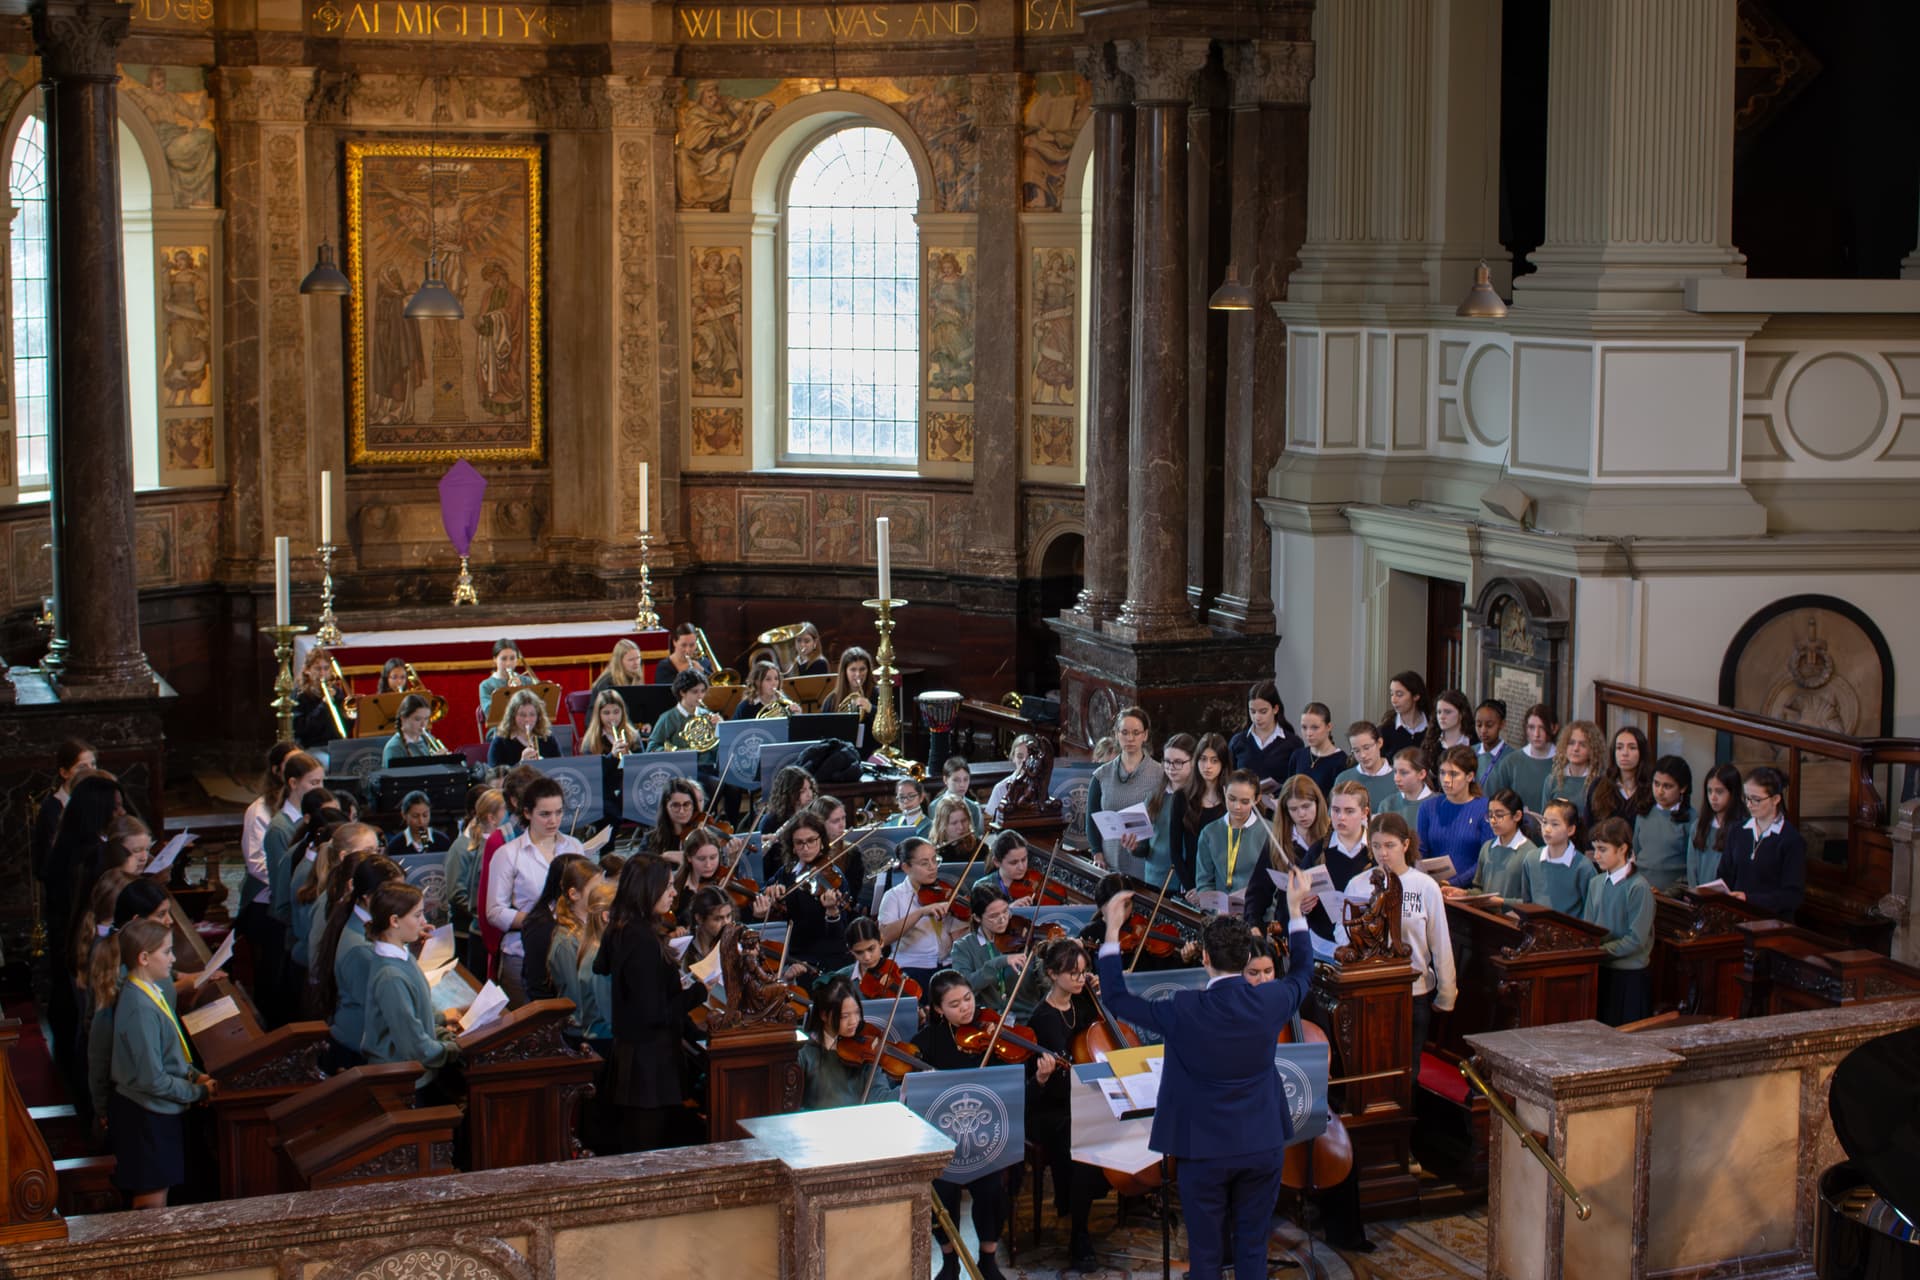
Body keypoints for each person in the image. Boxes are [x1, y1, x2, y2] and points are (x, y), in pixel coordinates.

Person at [1092, 871, 1314, 1280]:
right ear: (1246, 959)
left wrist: (1111, 930)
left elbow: (1118, 998)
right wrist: (1296, 909)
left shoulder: (1183, 1008)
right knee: (1252, 1249)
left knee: (1206, 1255)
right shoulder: (1271, 1000)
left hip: (1203, 1148)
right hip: (1262, 1142)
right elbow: (1302, 973)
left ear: (1206, 958)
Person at [593, 856, 707, 1152]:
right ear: (648, 889)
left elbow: (605, 967)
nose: (674, 893)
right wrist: (699, 991)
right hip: (648, 1066)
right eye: (667, 886)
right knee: (647, 1151)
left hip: (634, 1056)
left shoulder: (622, 927)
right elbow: (654, 1013)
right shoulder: (641, 939)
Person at [913, 969, 1015, 1280]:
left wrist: (1036, 1077)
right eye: (954, 1004)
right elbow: (911, 1091)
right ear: (938, 1010)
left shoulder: (991, 1034)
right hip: (942, 1138)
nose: (965, 1008)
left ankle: (988, 1257)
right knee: (940, 1186)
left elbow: (1012, 1084)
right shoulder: (926, 1042)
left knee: (994, 1186)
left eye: (968, 998)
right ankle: (949, 1259)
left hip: (986, 1136)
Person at [107, 919, 214, 1209]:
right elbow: (151, 1079)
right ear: (144, 957)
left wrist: (193, 1076)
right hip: (146, 1114)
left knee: (160, 1192)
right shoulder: (139, 1006)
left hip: (156, 1111)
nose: (173, 959)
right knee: (152, 1201)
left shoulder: (148, 992)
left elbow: (168, 1054)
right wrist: (198, 1092)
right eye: (167, 952)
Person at [1023, 937, 1110, 1271]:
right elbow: (1037, 1086)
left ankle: (1129, 1190)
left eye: (1083, 972)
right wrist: (1046, 1078)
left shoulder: (1084, 1004)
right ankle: (1079, 1233)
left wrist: (1098, 995)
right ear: (1051, 974)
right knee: (1079, 1137)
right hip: (1053, 1107)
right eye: (1072, 973)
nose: (1079, 979)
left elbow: (1104, 1038)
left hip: (1086, 1097)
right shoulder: (1040, 1019)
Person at [1344, 813, 1456, 1062]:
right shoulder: (1358, 885)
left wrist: (1446, 992)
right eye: (1376, 846)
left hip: (1413, 991)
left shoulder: (1425, 886)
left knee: (1407, 1067)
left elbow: (1440, 942)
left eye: (1389, 845)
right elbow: (1344, 936)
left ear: (1405, 845)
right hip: (1369, 989)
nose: (1382, 853)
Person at [486, 777, 586, 1004]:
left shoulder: (574, 846)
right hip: (523, 952)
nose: (554, 821)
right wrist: (541, 921)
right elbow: (494, 911)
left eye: (559, 813)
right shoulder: (509, 853)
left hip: (572, 950)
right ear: (527, 813)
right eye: (545, 814)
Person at [360, 883, 461, 1083]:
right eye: (417, 915)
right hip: (403, 1079)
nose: (423, 921)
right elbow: (414, 1046)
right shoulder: (391, 976)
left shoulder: (403, 955)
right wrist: (455, 1049)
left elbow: (416, 1011)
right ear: (395, 921)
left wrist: (439, 1021)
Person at [315, 855, 406, 1071]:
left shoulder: (367, 924)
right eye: (392, 894)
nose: (400, 902)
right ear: (366, 897)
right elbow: (383, 1009)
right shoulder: (360, 950)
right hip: (357, 1051)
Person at [1581, 817, 1655, 1025]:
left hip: (1629, 977)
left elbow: (1636, 939)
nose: (1596, 856)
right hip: (1601, 970)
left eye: (1603, 849)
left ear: (1622, 849)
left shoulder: (1638, 887)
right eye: (1595, 849)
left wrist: (1600, 952)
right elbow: (1589, 928)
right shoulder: (1596, 883)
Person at [1716, 766, 1807, 916]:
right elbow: (1724, 875)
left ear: (1776, 799)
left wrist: (1749, 899)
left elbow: (1792, 896)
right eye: (1746, 798)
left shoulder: (1791, 840)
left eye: (1756, 800)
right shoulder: (1737, 831)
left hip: (1771, 921)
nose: (1749, 804)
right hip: (1736, 915)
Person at [798, 974, 895, 1109]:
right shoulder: (804, 1052)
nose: (854, 1021)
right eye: (845, 1016)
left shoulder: (864, 1050)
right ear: (824, 1015)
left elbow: (878, 1098)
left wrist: (906, 1091)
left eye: (856, 1013)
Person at [1247, 774, 1328, 932]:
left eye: (1306, 806)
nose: (1301, 814)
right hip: (1288, 928)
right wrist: (1253, 923)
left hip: (1326, 929)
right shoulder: (1278, 842)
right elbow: (1258, 890)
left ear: (1318, 803)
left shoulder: (1331, 837)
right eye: (1294, 809)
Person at [1086, 705, 1165, 866]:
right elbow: (1091, 819)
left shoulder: (1160, 774)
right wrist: (1097, 854)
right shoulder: (1101, 775)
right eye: (1125, 732)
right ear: (1116, 734)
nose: (1130, 738)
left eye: (1136, 733)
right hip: (1109, 860)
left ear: (1145, 735)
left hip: (1146, 861)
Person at [1311, 782, 1376, 959]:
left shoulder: (1377, 851)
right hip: (1323, 944)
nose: (1341, 817)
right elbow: (1295, 897)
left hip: (1367, 946)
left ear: (1364, 813)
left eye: (1349, 811)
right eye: (1336, 810)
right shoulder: (1318, 851)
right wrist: (1302, 905)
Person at [947, 881, 1030, 1018]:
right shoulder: (963, 947)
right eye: (993, 916)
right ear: (977, 918)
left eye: (1005, 911)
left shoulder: (1021, 937)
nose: (1003, 919)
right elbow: (964, 987)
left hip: (1025, 1017)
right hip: (988, 1021)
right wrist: (1000, 962)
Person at [445, 789, 506, 975]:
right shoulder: (462, 848)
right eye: (506, 811)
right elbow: (457, 893)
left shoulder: (494, 844)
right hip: (467, 931)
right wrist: (483, 911)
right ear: (492, 817)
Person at [876, 838, 951, 988]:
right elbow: (884, 937)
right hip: (911, 967)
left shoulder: (945, 891)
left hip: (948, 964)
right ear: (906, 867)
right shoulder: (893, 896)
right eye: (924, 863)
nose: (933, 867)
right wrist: (920, 913)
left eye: (934, 860)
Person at [1192, 769, 1269, 911]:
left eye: (1245, 801)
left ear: (1257, 799)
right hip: (1219, 916)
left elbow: (1272, 886)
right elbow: (1204, 882)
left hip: (1257, 915)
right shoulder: (1209, 832)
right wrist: (1217, 910)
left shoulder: (1270, 833)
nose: (1237, 806)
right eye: (1231, 799)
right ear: (1224, 791)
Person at [522, 854, 594, 1002]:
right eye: (594, 888)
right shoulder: (543, 927)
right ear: (572, 891)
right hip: (556, 1009)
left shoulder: (583, 915)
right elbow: (538, 985)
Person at [1418, 745, 1491, 889]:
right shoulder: (1428, 807)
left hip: (1469, 891)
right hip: (1432, 887)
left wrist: (1454, 883)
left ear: (1469, 777)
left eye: (1453, 774)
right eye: (1442, 772)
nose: (1445, 779)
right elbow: (1421, 852)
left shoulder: (1485, 809)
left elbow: (1485, 860)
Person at [1449, 788, 1534, 900]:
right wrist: (1464, 894)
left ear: (1517, 816)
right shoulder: (1487, 847)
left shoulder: (1530, 853)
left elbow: (1531, 901)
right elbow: (1479, 889)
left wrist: (1503, 902)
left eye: (1499, 815)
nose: (1493, 821)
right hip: (1486, 915)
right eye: (1490, 815)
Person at [1518, 798, 1597, 915]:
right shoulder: (1531, 859)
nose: (1547, 829)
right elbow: (1527, 901)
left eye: (1555, 824)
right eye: (1544, 822)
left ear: (1570, 830)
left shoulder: (1583, 867)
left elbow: (1590, 910)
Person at [545, 859, 600, 1022]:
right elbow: (576, 1000)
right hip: (583, 1030)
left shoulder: (595, 926)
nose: (602, 894)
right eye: (595, 890)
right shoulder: (566, 942)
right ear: (574, 894)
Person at [1228, 680, 1301, 798]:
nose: (1257, 717)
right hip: (1245, 808)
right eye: (1252, 712)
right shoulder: (1238, 742)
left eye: (1263, 711)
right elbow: (1230, 778)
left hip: (1278, 809)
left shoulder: (1293, 743)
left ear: (1275, 709)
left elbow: (1296, 783)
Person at [647, 668, 720, 780]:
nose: (700, 696)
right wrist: (676, 752)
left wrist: (720, 729)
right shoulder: (668, 718)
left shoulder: (707, 715)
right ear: (682, 692)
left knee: (732, 784)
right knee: (712, 783)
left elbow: (717, 748)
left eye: (703, 691)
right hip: (681, 770)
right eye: (695, 692)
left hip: (709, 766)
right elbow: (652, 747)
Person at [1635, 756, 1694, 893]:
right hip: (1640, 889)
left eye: (1667, 786)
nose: (1660, 791)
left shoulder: (1691, 820)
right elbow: (1637, 851)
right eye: (1656, 784)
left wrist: (1668, 893)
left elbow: (1691, 867)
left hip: (1672, 895)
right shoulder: (1644, 813)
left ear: (1683, 788)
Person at [1486, 703, 1557, 817]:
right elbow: (1495, 799)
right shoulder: (1511, 763)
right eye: (1531, 727)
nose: (1536, 734)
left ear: (1554, 728)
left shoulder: (1562, 763)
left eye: (1542, 728)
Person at [1585, 726, 1654, 834]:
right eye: (1619, 748)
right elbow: (1589, 826)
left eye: (1632, 748)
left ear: (1642, 752)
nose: (1625, 753)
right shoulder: (1598, 785)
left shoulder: (1651, 788)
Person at [1689, 764, 1746, 889]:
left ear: (1733, 793)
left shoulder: (1743, 828)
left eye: (1719, 791)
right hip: (1700, 896)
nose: (1713, 797)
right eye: (1709, 791)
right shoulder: (1698, 826)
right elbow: (1692, 867)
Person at [1333, 721, 1399, 814]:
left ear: (1379, 743)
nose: (1363, 755)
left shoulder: (1397, 779)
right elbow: (1334, 816)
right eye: (1356, 751)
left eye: (1367, 748)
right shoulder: (1344, 779)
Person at [1287, 702, 1349, 798]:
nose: (1309, 733)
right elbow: (1289, 790)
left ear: (1328, 727)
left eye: (1315, 727)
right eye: (1304, 727)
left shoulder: (1340, 761)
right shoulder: (1298, 755)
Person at [489, 688, 562, 768]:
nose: (527, 719)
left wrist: (544, 765)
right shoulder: (500, 742)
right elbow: (494, 778)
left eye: (532, 714)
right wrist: (521, 764)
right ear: (513, 716)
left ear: (538, 716)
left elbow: (561, 768)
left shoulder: (547, 739)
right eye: (522, 715)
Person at [1542, 719, 1599, 819]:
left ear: (1592, 749)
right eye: (1571, 743)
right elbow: (1545, 818)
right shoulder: (1552, 781)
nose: (1576, 749)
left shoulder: (1598, 783)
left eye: (1582, 744)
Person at [983, 734, 1043, 823]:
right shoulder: (1000, 788)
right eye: (1020, 756)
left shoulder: (1043, 785)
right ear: (1013, 758)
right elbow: (989, 822)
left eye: (1029, 757)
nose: (1024, 762)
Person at [1377, 670, 1432, 760]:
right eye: (1391, 694)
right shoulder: (1385, 728)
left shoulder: (1433, 726)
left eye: (1399, 694)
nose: (1393, 700)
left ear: (1416, 696)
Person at [477, 639, 537, 715]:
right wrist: (511, 692)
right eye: (504, 659)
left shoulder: (527, 681)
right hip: (499, 726)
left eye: (512, 658)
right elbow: (489, 713)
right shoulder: (486, 685)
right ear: (495, 659)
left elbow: (537, 709)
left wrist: (521, 690)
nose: (508, 663)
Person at [384, 790, 449, 859]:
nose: (421, 821)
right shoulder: (395, 845)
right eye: (415, 816)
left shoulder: (442, 841)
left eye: (425, 815)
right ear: (404, 815)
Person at [1377, 746, 1434, 824]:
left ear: (1421, 774)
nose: (1396, 778)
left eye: (1404, 773)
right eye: (1395, 772)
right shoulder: (1387, 805)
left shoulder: (1439, 804)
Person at [381, 694, 442, 767]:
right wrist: (434, 763)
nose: (423, 724)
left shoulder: (428, 738)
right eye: (417, 719)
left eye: (426, 719)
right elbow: (400, 777)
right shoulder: (394, 748)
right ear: (403, 718)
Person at [581, 689, 644, 757]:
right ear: (599, 715)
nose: (612, 717)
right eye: (606, 713)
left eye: (616, 712)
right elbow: (591, 766)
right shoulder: (591, 741)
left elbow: (641, 764)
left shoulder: (633, 736)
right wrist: (612, 755)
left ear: (622, 712)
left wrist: (629, 756)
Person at [1421, 688, 1475, 767]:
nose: (1442, 717)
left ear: (1462, 714)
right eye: (1439, 712)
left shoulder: (1474, 742)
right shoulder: (1431, 744)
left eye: (1448, 712)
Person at [821, 646, 876, 719]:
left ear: (868, 670)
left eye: (862, 669)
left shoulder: (878, 695)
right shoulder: (831, 700)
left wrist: (871, 709)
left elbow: (893, 722)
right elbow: (823, 728)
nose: (858, 674)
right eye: (853, 670)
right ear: (845, 672)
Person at [1473, 699, 1509, 786]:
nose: (1483, 730)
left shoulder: (1510, 757)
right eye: (1479, 725)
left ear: (1502, 724)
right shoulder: (1470, 751)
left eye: (1489, 725)